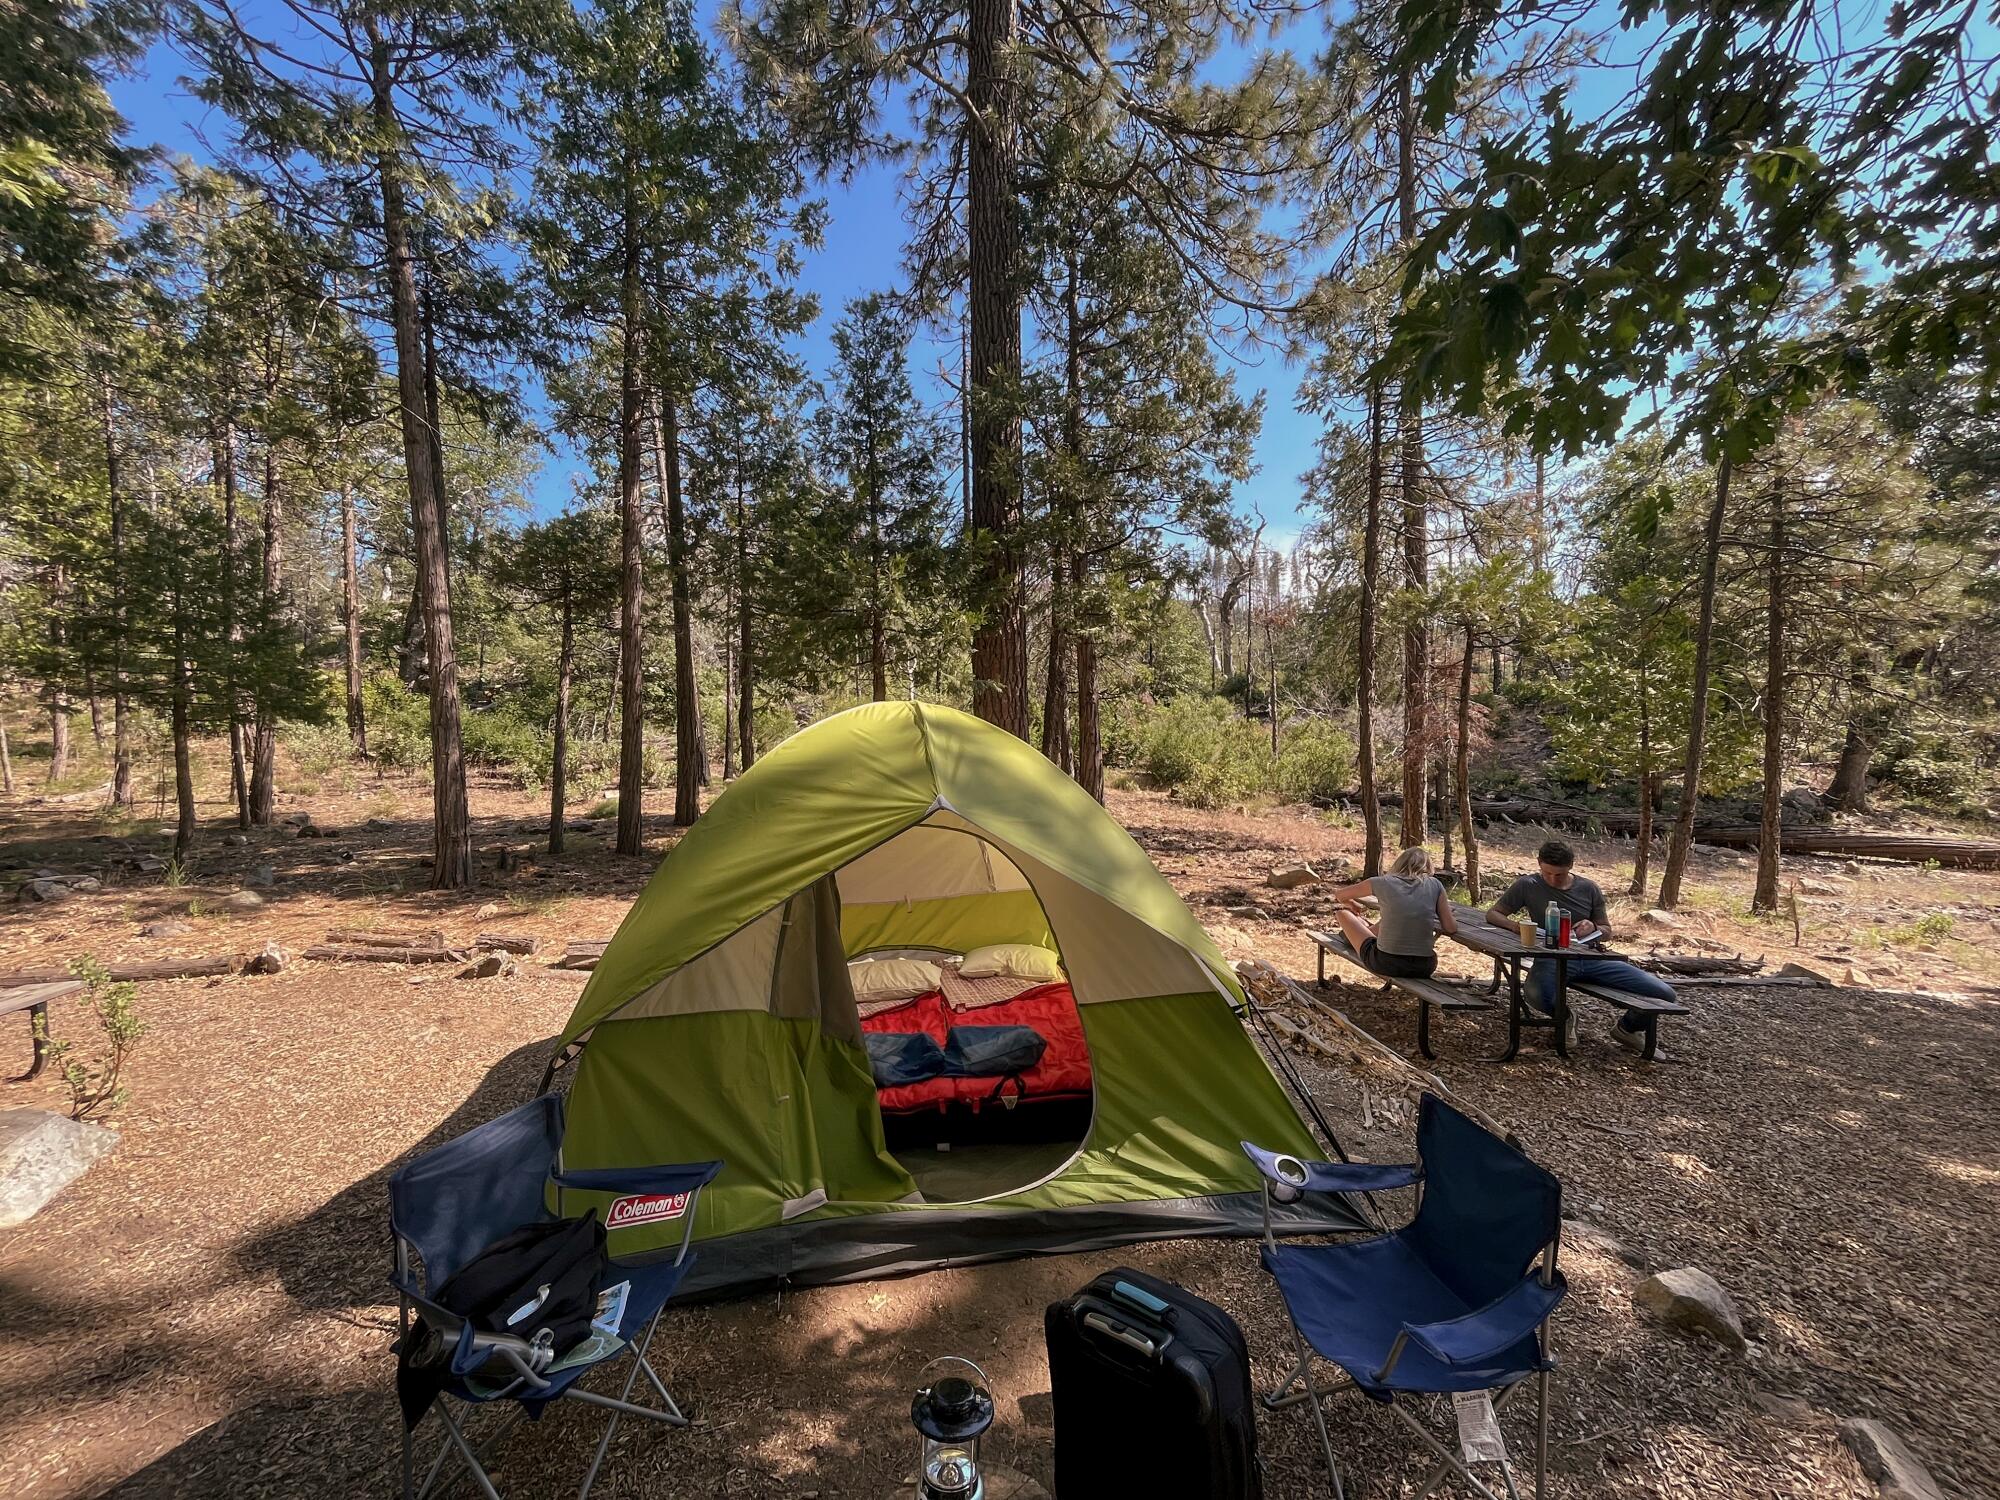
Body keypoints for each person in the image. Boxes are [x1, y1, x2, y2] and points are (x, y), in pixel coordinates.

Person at [1486, 838, 1679, 1056]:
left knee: (1664, 993)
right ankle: (1566, 1017)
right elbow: (1493, 914)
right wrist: (1515, 926)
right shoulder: (1527, 885)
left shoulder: (1588, 888)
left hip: (1590, 956)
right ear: (1539, 863)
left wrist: (1593, 926)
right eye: (1547, 873)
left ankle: (1628, 1028)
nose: (1552, 879)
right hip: (1551, 956)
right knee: (1536, 995)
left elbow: (1606, 931)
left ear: (1571, 866)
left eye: (1558, 875)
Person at [1330, 846, 1457, 979]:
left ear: (1399, 863)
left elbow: (1340, 895)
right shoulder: (1435, 885)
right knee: (1392, 919)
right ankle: (1365, 929)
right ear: (1428, 867)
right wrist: (1447, 914)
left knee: (1342, 913)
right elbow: (1450, 928)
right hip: (1424, 966)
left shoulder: (1383, 882)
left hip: (1386, 963)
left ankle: (1356, 932)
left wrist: (1352, 904)